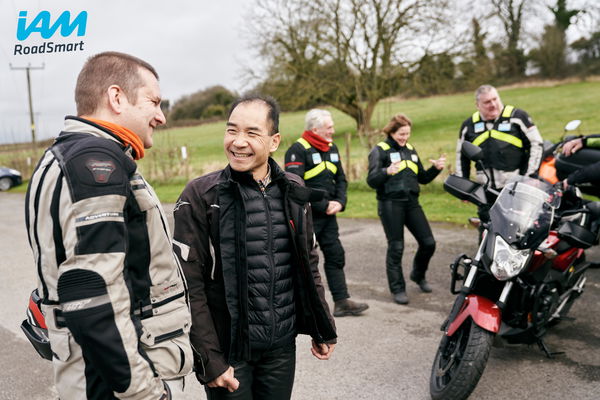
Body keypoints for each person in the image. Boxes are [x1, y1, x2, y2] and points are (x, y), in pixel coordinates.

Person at [24, 52, 192, 399]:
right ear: (116, 98)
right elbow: (93, 292)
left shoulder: (67, 155)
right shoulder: (95, 164)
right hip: (114, 381)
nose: (160, 116)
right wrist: (144, 393)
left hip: (94, 371)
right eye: (153, 102)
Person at [172, 95, 337, 400]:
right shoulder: (201, 195)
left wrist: (322, 326)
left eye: (251, 133)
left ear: (274, 141)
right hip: (230, 352)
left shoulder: (294, 190)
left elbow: (308, 262)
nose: (238, 142)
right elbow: (188, 284)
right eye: (231, 130)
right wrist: (210, 359)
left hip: (280, 348)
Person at [284, 109, 369, 317]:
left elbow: (341, 179)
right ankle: (302, 309)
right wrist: (324, 205)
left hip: (330, 216)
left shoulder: (332, 148)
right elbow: (295, 188)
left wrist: (340, 202)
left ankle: (341, 302)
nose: (333, 131)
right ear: (315, 129)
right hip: (307, 216)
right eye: (329, 127)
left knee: (336, 255)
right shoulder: (297, 149)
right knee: (304, 262)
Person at [367, 114, 446, 305]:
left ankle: (418, 275)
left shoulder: (410, 150)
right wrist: (387, 171)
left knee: (429, 243)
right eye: (401, 133)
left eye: (407, 133)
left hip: (411, 203)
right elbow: (371, 180)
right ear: (392, 132)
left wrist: (436, 168)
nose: (405, 137)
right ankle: (398, 289)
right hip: (390, 204)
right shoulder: (380, 150)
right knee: (396, 247)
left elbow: (423, 178)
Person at [456, 84, 543, 190]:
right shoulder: (468, 126)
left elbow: (536, 144)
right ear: (477, 105)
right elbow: (461, 156)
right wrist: (462, 185)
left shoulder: (517, 117)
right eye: (487, 102)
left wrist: (530, 176)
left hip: (516, 187)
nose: (493, 104)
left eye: (495, 99)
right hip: (485, 189)